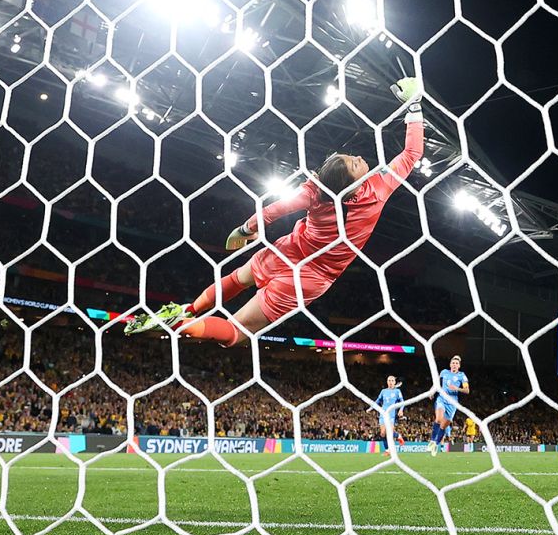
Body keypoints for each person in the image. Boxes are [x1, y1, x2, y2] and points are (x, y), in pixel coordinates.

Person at [126, 78, 424, 345]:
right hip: (310, 277)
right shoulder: (379, 190)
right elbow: (412, 153)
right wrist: (415, 107)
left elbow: (275, 209)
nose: (360, 157)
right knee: (236, 332)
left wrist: (245, 230)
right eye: (355, 162)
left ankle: (186, 309)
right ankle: (181, 324)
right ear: (353, 182)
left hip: (289, 251)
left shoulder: (315, 191)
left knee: (236, 279)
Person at [429, 355, 469, 455]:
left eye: (456, 363)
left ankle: (436, 444)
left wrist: (457, 388)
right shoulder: (444, 372)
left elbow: (467, 390)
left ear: (459, 366)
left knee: (443, 426)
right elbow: (436, 383)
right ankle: (432, 440)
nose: (454, 365)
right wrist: (432, 391)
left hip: (452, 403)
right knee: (438, 419)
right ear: (450, 364)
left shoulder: (462, 376)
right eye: (453, 363)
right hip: (442, 398)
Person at [374, 375, 403, 448]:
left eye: (392, 381)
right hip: (383, 414)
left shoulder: (397, 391)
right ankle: (387, 450)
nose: (390, 382)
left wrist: (401, 410)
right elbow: (378, 400)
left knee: (389, 432)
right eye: (389, 380)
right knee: (383, 433)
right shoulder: (383, 391)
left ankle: (397, 436)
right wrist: (371, 407)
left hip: (391, 414)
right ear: (387, 382)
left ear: (395, 382)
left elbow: (402, 401)